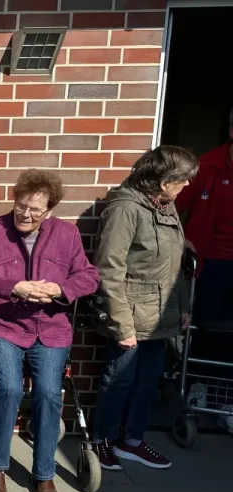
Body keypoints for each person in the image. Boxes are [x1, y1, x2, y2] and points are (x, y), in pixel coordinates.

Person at [0, 169, 99, 492]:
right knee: (9, 388)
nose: (25, 214)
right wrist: (15, 287)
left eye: (35, 210)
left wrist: (61, 290)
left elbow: (88, 276)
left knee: (49, 393)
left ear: (49, 211)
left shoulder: (67, 234)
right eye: (21, 205)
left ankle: (44, 472)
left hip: (50, 327)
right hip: (2, 325)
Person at [93, 145, 198, 472]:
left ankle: (132, 441)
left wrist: (182, 305)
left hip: (160, 315)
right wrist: (121, 324)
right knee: (119, 381)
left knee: (147, 382)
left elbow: (175, 264)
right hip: (131, 312)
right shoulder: (126, 209)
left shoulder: (165, 206)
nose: (188, 184)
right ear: (164, 181)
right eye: (183, 178)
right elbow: (109, 269)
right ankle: (102, 440)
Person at [176, 106, 233, 330]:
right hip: (209, 263)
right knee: (208, 329)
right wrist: (179, 239)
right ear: (231, 132)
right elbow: (170, 205)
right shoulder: (205, 166)